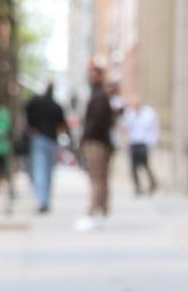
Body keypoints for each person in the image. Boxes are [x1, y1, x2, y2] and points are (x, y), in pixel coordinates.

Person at [75, 63, 114, 230]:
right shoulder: (100, 95)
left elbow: (96, 122)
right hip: (100, 142)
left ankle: (92, 213)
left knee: (96, 179)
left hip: (96, 143)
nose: (90, 77)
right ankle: (102, 213)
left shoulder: (99, 96)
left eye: (93, 74)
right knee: (101, 179)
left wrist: (84, 139)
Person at [24, 82, 68, 213]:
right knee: (47, 171)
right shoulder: (55, 106)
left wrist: (32, 126)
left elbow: (27, 109)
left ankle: (42, 200)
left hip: (40, 138)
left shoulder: (36, 103)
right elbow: (62, 125)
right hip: (50, 139)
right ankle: (45, 199)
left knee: (40, 170)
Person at [120, 97, 159, 194]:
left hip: (144, 142)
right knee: (133, 166)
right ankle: (137, 187)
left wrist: (152, 141)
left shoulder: (149, 113)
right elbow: (124, 127)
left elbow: (154, 127)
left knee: (145, 165)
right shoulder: (129, 113)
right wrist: (124, 140)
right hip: (133, 142)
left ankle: (153, 183)